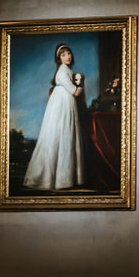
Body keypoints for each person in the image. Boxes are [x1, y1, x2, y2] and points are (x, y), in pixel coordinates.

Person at [23, 43, 87, 190]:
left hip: (66, 103)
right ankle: (54, 179)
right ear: (59, 58)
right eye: (63, 55)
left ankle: (66, 177)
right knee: (61, 135)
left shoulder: (67, 70)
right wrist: (80, 80)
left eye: (69, 53)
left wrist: (76, 78)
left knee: (66, 135)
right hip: (62, 105)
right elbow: (76, 92)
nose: (68, 57)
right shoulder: (62, 72)